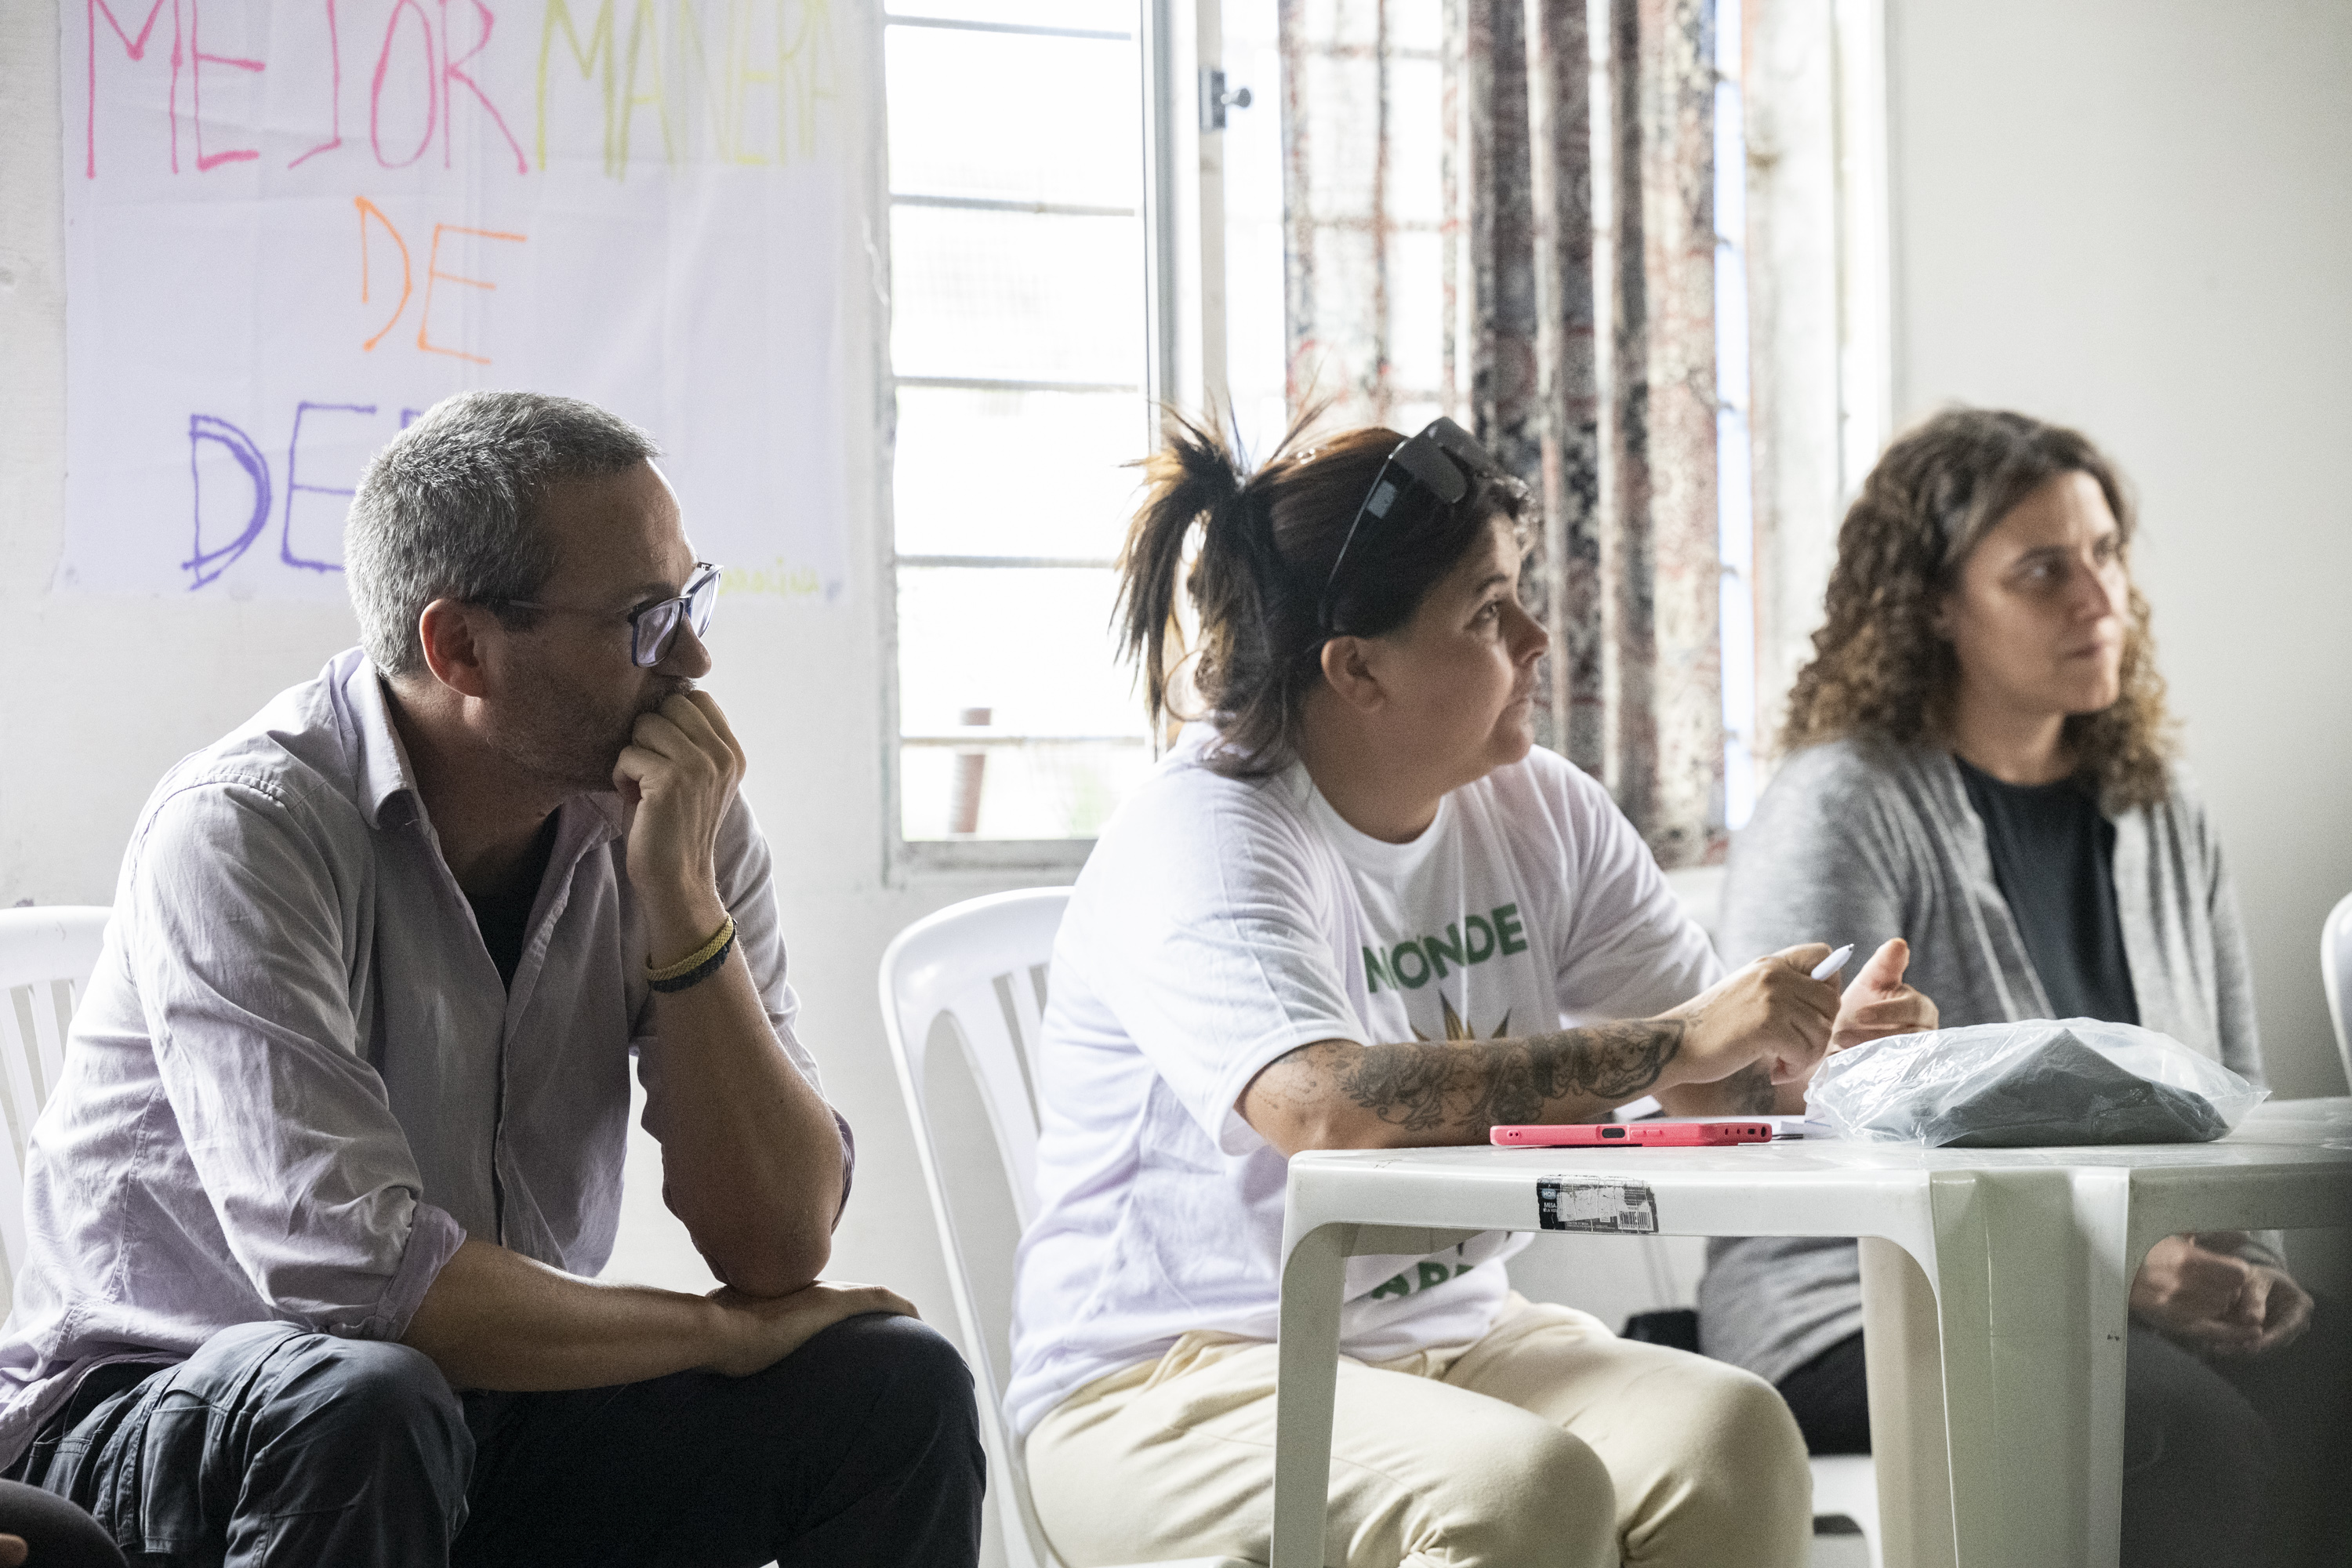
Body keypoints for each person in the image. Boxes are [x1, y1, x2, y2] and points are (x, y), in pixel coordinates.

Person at [0, 392, 985, 1566]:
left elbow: (777, 1248)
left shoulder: (681, 819)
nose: (695, 658)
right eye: (644, 619)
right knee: (366, 1397)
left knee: (892, 1389)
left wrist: (679, 900)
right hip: (155, 1422)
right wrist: (716, 1337)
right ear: (457, 646)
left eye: (692, 599)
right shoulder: (245, 830)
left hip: (459, 1410)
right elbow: (357, 1281)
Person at [1007, 412, 1939, 1568]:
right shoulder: (1205, 829)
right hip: (1168, 1383)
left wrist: (1822, 1050)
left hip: (1454, 1339)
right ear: (1358, 668)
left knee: (1733, 1436)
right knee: (1518, 1494)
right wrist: (1678, 1044)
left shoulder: (1538, 807)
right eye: (1488, 612)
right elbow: (1325, 1110)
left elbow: (1720, 1075)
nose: (1539, 637)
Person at [1692, 408, 2351, 1567]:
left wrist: (2249, 1281)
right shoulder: (1844, 804)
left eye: (2106, 554)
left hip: (2134, 1290)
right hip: (1863, 1307)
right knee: (2179, 1437)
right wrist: (2115, 1275)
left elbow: (2239, 1100)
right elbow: (1782, 1138)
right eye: (2044, 569)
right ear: (1932, 606)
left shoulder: (2160, 811)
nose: (2099, 598)